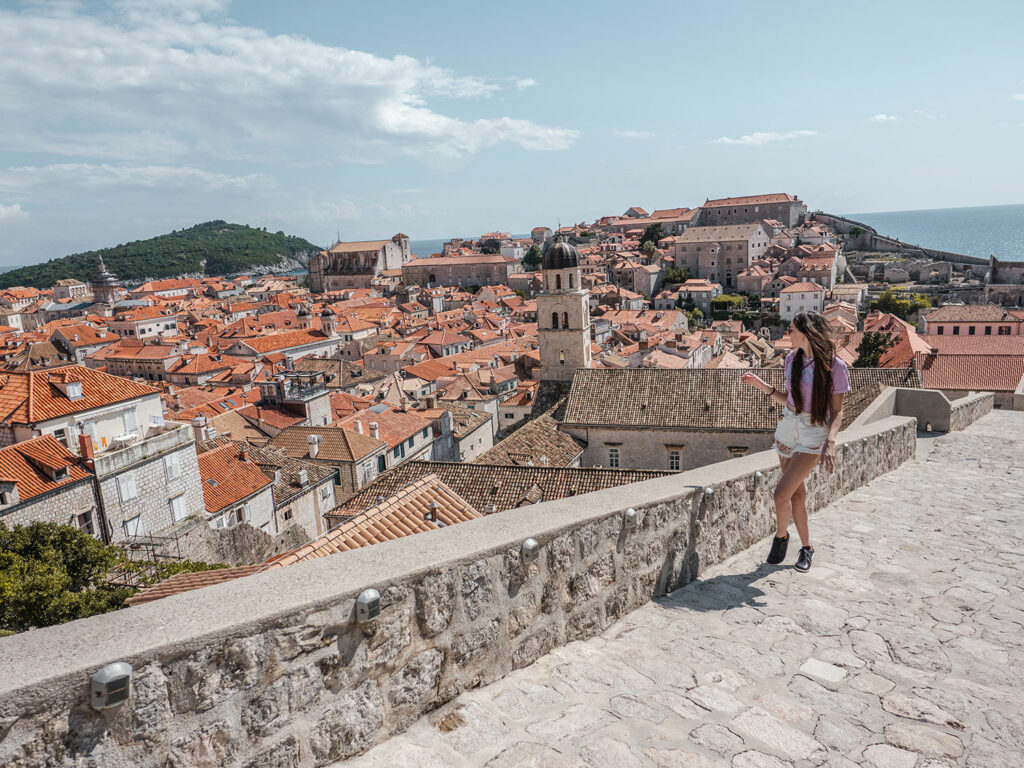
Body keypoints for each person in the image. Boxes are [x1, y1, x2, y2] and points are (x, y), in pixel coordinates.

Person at [741, 311, 850, 572]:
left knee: (781, 494)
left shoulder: (836, 367)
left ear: (806, 332)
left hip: (813, 432)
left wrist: (831, 442)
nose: (787, 334)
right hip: (787, 428)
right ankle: (807, 548)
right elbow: (790, 399)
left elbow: (837, 411)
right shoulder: (791, 359)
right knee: (797, 495)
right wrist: (762, 386)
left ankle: (781, 537)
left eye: (791, 330)